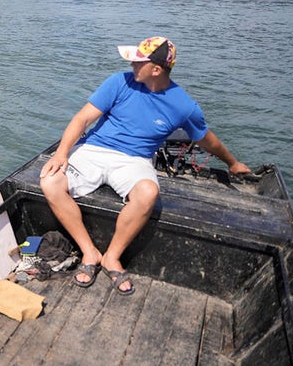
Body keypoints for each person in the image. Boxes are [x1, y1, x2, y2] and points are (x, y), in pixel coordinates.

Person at [39, 36, 251, 295]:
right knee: (50, 182)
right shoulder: (118, 82)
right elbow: (83, 118)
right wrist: (62, 153)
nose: (131, 64)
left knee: (148, 193)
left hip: (135, 160)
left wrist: (233, 163)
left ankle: (112, 257)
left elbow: (208, 141)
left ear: (156, 69)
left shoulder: (183, 105)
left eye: (138, 61)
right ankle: (89, 252)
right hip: (93, 150)